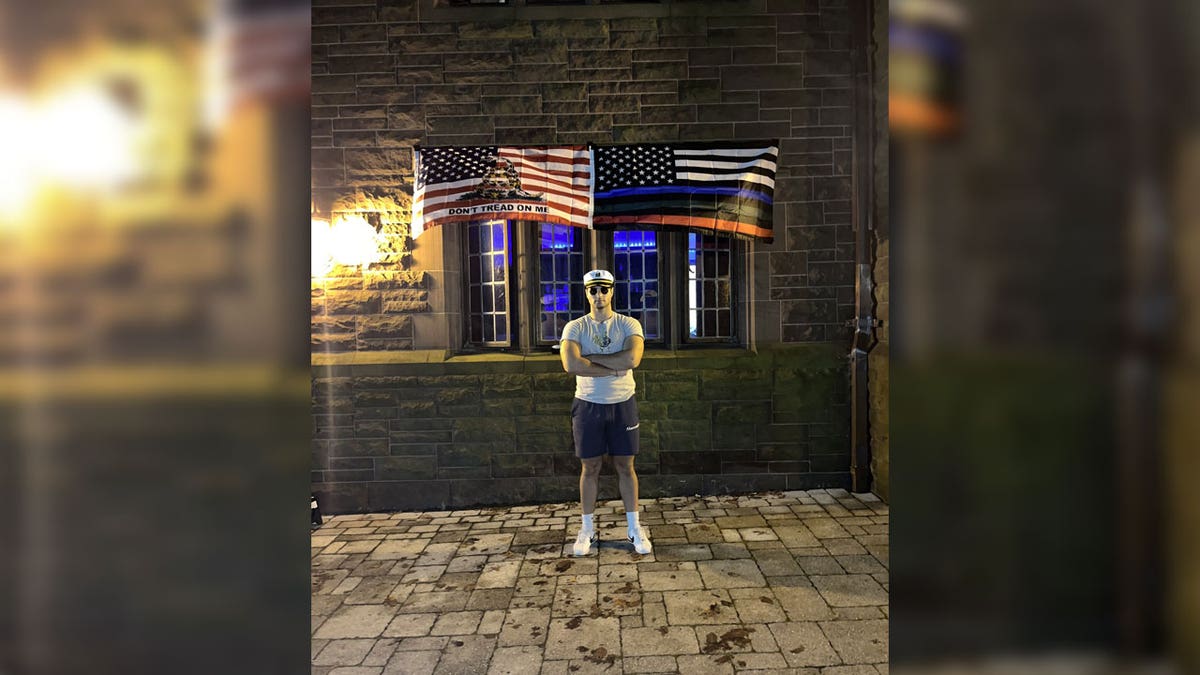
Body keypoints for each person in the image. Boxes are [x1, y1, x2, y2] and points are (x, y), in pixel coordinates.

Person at [560, 269, 651, 556]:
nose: (599, 296)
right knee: (591, 468)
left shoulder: (628, 324)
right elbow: (571, 365)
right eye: (593, 290)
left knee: (626, 466)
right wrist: (613, 367)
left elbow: (632, 358)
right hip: (587, 406)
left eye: (604, 290)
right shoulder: (574, 328)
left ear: (612, 292)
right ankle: (587, 530)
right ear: (586, 293)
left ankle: (634, 528)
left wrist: (590, 360)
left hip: (622, 404)